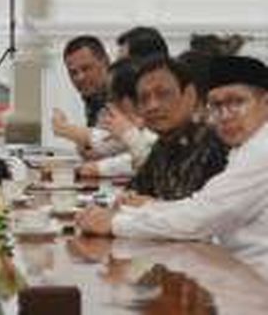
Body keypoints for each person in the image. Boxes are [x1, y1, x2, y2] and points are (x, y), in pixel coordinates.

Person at [77, 55, 268, 280]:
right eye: (216, 105)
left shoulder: (259, 149)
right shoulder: (242, 148)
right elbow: (197, 206)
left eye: (237, 102)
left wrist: (116, 223)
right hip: (234, 274)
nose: (225, 115)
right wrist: (137, 210)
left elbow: (199, 219)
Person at [124, 56, 228, 201]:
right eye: (144, 98)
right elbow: (135, 191)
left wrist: (152, 206)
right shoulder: (162, 145)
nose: (152, 106)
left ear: (190, 95)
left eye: (163, 94)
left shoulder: (217, 145)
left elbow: (204, 214)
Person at [56, 35, 110, 129]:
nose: (80, 77)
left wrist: (66, 130)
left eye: (86, 68)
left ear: (105, 62)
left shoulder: (123, 95)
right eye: (73, 72)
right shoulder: (93, 99)